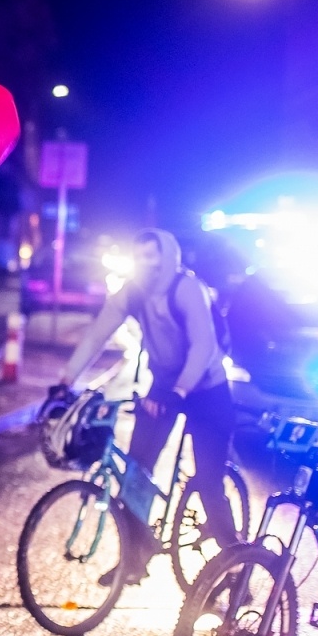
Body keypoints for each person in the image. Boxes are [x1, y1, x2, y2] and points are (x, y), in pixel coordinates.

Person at [58, 228, 235, 584]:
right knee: (136, 474)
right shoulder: (132, 293)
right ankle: (135, 558)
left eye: (154, 261)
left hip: (206, 388)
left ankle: (238, 564)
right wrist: (65, 381)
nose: (147, 268)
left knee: (209, 482)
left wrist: (181, 390)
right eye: (140, 261)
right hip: (164, 385)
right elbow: (97, 334)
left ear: (168, 259)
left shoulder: (186, 289)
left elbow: (204, 346)